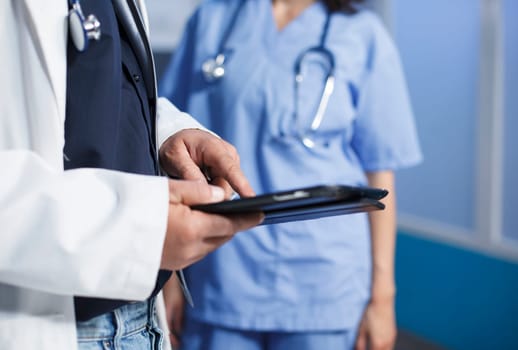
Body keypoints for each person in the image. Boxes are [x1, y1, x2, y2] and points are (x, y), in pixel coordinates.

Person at [160, 0, 423, 349]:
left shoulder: (362, 34)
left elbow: (380, 173)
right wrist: (169, 278)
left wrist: (383, 298)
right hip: (223, 271)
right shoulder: (212, 20)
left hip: (326, 280)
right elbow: (170, 148)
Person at [0, 1, 262, 349]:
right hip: (49, 322)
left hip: (139, 319)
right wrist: (141, 230)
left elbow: (105, 89)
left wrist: (167, 134)